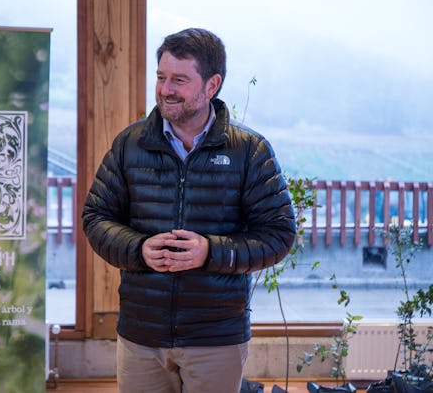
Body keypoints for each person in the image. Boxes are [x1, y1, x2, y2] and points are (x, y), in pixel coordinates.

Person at [81, 28, 296, 393]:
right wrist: (138, 249)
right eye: (161, 77)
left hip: (216, 337)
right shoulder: (129, 144)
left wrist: (210, 252)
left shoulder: (250, 151)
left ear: (212, 85)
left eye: (179, 80)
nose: (166, 89)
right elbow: (96, 217)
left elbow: (279, 234)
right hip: (141, 335)